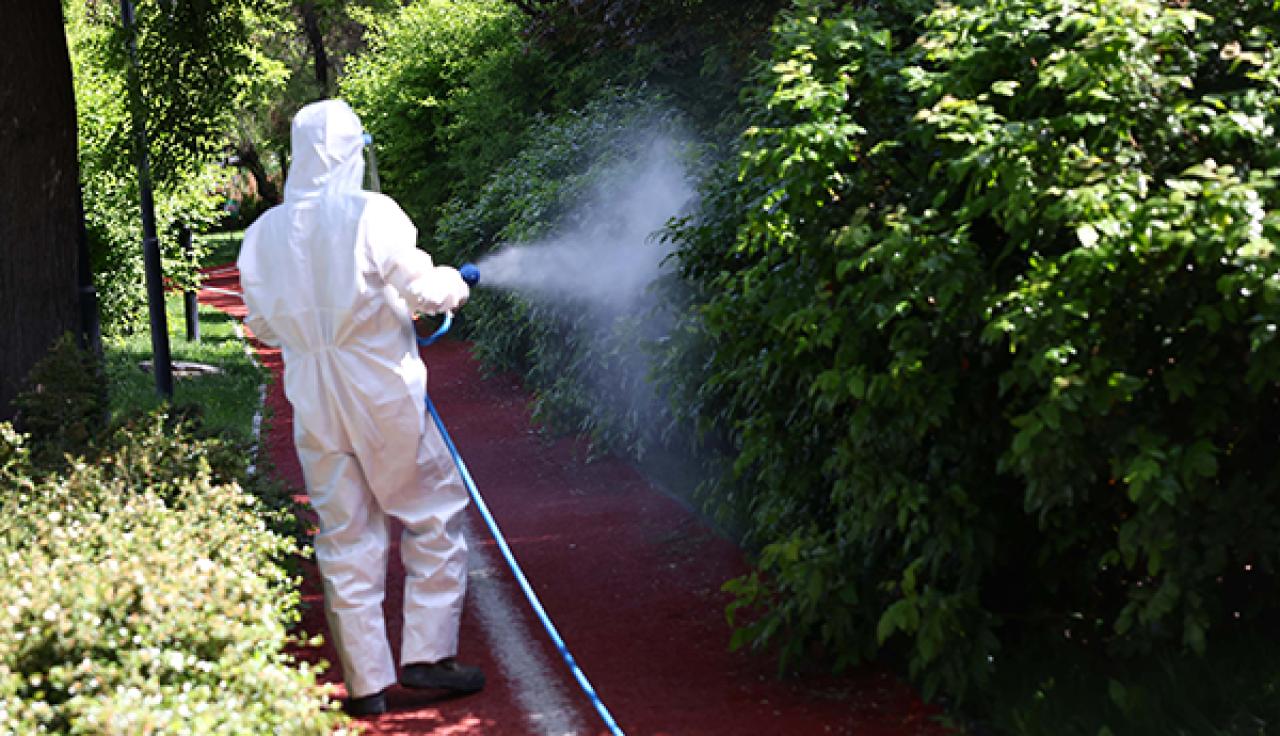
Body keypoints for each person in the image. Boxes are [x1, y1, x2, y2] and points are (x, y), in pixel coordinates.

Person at [237, 99, 483, 716]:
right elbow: (425, 293)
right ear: (351, 150)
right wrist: (458, 281)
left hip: (313, 395)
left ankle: (367, 685)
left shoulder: (263, 233)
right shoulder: (373, 213)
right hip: (380, 386)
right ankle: (427, 656)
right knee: (433, 510)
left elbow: (263, 325)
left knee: (345, 531)